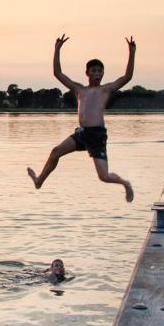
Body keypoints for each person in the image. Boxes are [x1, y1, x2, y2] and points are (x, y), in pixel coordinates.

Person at [27, 32, 135, 202]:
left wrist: (132, 52)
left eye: (100, 71)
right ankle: (39, 180)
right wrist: (57, 49)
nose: (97, 74)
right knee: (55, 152)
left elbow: (127, 77)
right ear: (87, 73)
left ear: (103, 74)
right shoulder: (79, 90)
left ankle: (125, 183)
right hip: (82, 133)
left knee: (104, 176)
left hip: (96, 135)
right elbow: (58, 73)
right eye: (94, 71)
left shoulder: (105, 90)